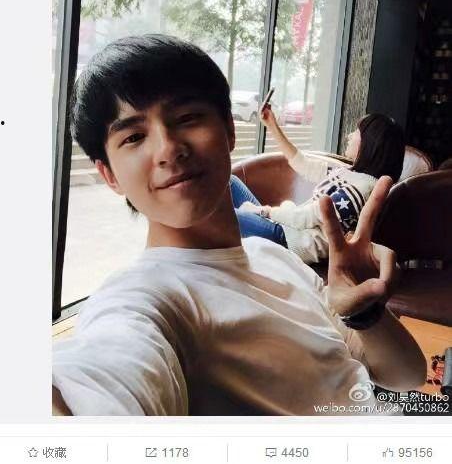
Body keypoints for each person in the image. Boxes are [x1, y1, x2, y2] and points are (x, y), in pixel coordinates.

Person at [52, 35, 425, 416]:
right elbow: (107, 379)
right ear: (109, 175)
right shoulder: (141, 302)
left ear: (229, 131)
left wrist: (365, 315)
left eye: (187, 118)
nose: (168, 149)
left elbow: (407, 376)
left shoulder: (276, 258)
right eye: (133, 137)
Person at [234, 108, 405, 264]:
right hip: (287, 227)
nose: (349, 136)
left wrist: (262, 211)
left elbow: (303, 218)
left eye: (356, 132)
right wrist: (272, 125)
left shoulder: (361, 190)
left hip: (290, 241)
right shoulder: (349, 172)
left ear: (370, 143)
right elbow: (302, 163)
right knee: (231, 181)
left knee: (225, 214)